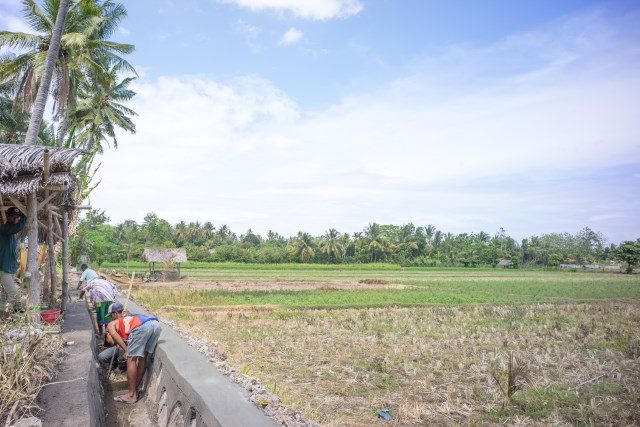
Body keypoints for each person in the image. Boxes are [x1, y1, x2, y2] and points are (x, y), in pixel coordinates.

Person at [107, 303, 162, 403]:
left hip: (142, 328)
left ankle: (131, 395)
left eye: (111, 316)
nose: (111, 318)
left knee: (131, 360)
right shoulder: (129, 318)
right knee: (142, 358)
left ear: (114, 314)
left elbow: (114, 334)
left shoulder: (112, 324)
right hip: (155, 325)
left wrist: (126, 350)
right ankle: (133, 391)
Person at [0, 207, 26, 311]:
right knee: (13, 294)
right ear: (8, 217)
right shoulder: (5, 229)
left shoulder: (13, 234)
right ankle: (8, 314)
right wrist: (26, 217)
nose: (16, 219)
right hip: (4, 268)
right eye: (13, 217)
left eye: (18, 217)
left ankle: (11, 314)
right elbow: (18, 227)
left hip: (10, 269)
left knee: (6, 295)